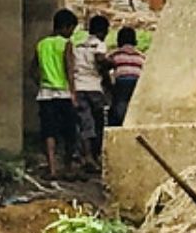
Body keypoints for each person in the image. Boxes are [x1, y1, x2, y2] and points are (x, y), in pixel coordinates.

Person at [31, 9, 79, 179]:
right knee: (69, 133)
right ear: (66, 27)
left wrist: (42, 83)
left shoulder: (41, 44)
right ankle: (67, 168)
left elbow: (33, 70)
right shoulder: (65, 44)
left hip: (45, 95)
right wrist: (73, 93)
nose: (71, 33)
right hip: (63, 94)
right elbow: (69, 69)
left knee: (49, 132)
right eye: (72, 29)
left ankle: (52, 169)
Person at [71, 14, 112, 173]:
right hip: (94, 87)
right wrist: (110, 64)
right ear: (103, 31)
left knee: (84, 123)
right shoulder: (99, 45)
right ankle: (94, 157)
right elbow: (101, 60)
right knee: (98, 123)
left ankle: (86, 156)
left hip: (79, 87)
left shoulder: (79, 46)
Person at [106, 26, 145, 127]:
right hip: (136, 81)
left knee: (120, 103)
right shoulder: (140, 56)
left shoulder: (116, 54)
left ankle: (120, 122)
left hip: (122, 82)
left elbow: (106, 64)